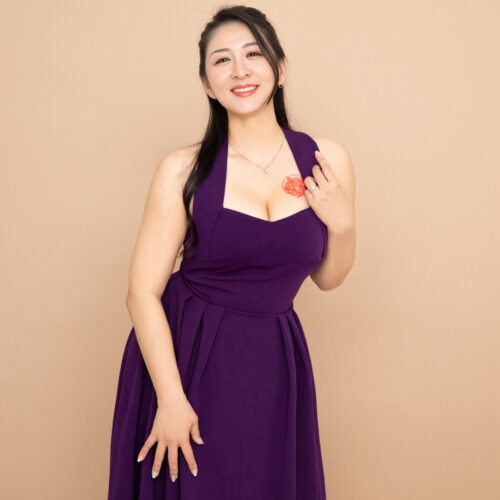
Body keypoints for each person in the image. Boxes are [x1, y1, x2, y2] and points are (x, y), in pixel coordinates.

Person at [108, 5, 356, 499]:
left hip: (275, 359)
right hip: (187, 354)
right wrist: (170, 399)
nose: (240, 70)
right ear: (206, 83)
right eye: (222, 60)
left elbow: (328, 279)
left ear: (280, 69)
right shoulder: (181, 169)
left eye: (253, 54)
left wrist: (343, 222)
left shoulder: (327, 159)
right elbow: (141, 294)